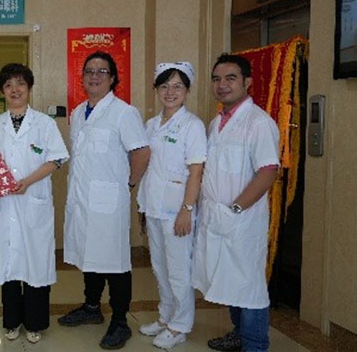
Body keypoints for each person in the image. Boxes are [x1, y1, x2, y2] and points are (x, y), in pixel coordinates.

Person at [59, 52, 150, 350]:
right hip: (82, 199)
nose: (94, 76)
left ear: (112, 78)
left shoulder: (124, 113)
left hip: (108, 202)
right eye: (89, 71)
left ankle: (120, 321)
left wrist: (129, 183)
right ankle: (91, 307)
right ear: (82, 77)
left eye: (102, 71)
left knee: (115, 262)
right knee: (89, 255)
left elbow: (141, 152)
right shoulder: (78, 113)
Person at [192, 54, 280, 352]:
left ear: (247, 82)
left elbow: (268, 171)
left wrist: (236, 209)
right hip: (216, 216)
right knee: (228, 280)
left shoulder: (259, 123)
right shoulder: (216, 123)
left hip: (242, 219)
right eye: (216, 79)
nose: (222, 85)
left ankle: (255, 344)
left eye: (230, 78)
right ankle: (239, 333)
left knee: (248, 286)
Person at [0, 63, 69, 344]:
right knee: (9, 263)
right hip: (5, 205)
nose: (15, 89)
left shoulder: (44, 123)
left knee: (36, 264)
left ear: (29, 88)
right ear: (2, 92)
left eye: (20, 83)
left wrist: (28, 181)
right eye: (8, 85)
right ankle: (11, 322)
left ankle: (34, 323)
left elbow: (56, 159)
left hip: (34, 201)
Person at [137, 63, 207, 350]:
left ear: (187, 91)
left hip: (177, 210)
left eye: (178, 86)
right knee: (160, 267)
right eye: (164, 86)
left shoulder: (192, 126)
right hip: (153, 207)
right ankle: (165, 317)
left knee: (178, 271)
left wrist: (186, 210)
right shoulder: (151, 125)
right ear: (156, 89)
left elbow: (196, 171)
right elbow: (148, 167)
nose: (170, 92)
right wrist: (143, 208)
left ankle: (180, 325)